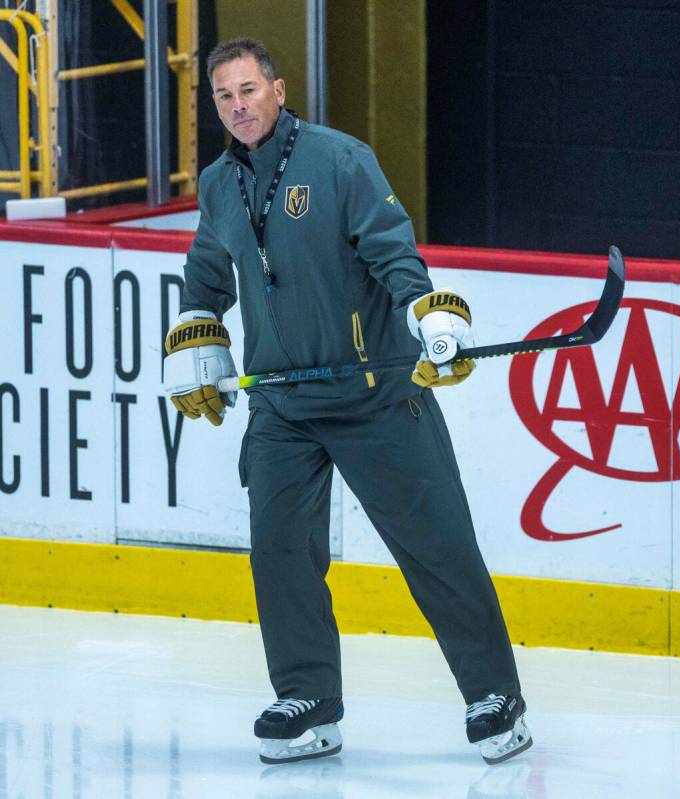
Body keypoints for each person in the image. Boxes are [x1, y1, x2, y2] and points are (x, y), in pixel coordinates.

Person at [163, 37, 532, 766]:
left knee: (436, 544)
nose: (237, 106)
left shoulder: (339, 159)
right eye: (222, 96)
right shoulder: (216, 184)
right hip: (280, 404)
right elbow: (205, 276)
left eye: (247, 90)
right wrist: (195, 339)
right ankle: (309, 699)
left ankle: (496, 697)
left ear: (278, 89)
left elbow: (393, 251)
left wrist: (431, 315)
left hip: (373, 394)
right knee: (279, 551)